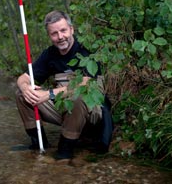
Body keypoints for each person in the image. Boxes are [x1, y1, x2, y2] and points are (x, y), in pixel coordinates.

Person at [15, 10, 112, 161]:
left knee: (78, 97)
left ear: (71, 29)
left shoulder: (86, 50)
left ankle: (65, 150)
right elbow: (23, 78)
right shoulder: (50, 54)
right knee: (22, 95)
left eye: (63, 31)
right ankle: (38, 144)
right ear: (49, 36)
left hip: (92, 113)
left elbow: (84, 86)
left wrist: (48, 94)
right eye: (54, 33)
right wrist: (25, 88)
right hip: (64, 109)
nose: (60, 37)